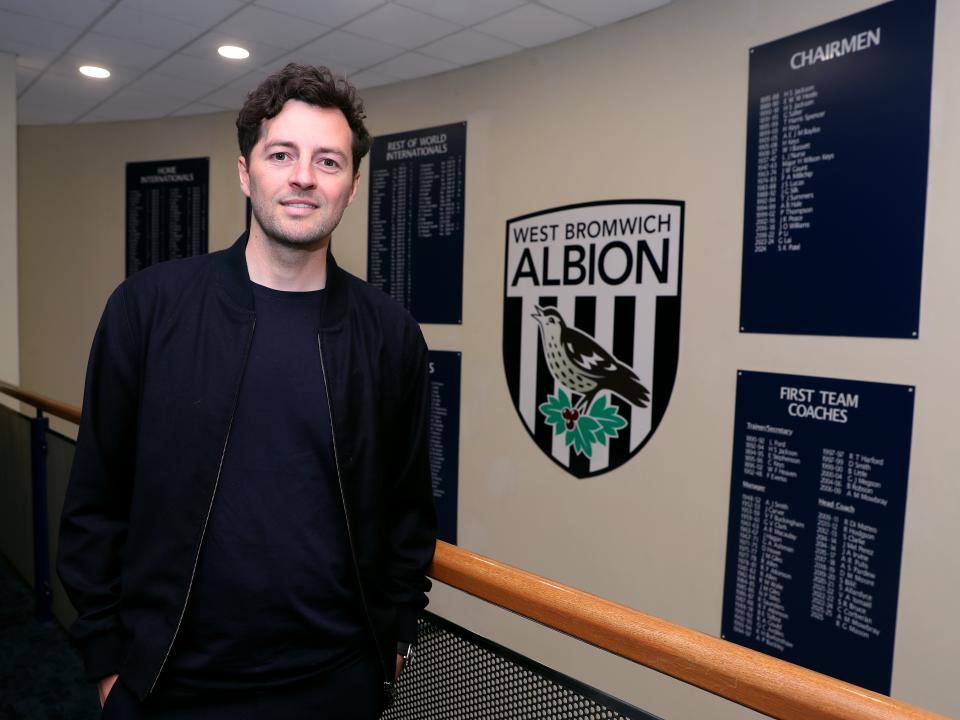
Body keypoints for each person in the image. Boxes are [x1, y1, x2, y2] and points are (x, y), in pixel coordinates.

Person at [57, 64, 436, 719]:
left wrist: (395, 633)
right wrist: (109, 660)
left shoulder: (390, 336)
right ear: (245, 172)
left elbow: (408, 505)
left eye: (328, 161)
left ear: (351, 187)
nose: (303, 177)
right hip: (170, 684)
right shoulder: (147, 310)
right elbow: (96, 499)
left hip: (335, 684)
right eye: (281, 154)